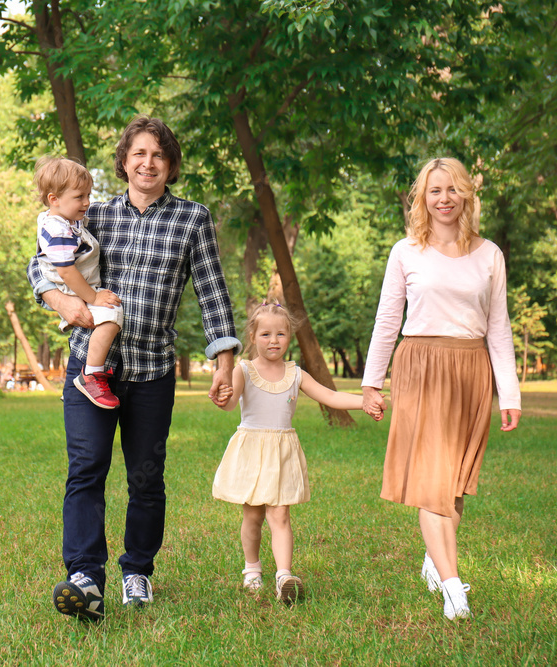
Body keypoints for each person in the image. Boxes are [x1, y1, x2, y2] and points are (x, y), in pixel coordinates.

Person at [27, 116, 240, 621]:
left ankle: (137, 570)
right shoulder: (92, 214)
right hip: (89, 368)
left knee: (146, 477)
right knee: (86, 469)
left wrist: (224, 361)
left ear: (170, 166)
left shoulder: (192, 219)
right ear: (123, 161)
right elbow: (42, 261)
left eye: (159, 155)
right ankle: (85, 576)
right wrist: (60, 301)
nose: (148, 163)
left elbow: (213, 292)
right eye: (139, 153)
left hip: (151, 371)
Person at [361, 157, 521, 621]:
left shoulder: (490, 254)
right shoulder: (406, 251)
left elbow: (499, 328)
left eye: (452, 189)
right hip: (421, 367)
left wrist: (508, 394)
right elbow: (388, 319)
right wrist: (372, 382)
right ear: (421, 198)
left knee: (451, 484)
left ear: (466, 194)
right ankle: (454, 591)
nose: (444, 198)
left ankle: (435, 562)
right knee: (431, 481)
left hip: (472, 370)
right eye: (434, 190)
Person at [211, 302, 377, 604]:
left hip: (282, 453)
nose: (273, 340)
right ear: (252, 335)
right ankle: (252, 568)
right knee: (252, 517)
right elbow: (230, 402)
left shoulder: (295, 373)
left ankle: (284, 575)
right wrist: (221, 396)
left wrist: (363, 402)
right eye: (265, 334)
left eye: (281, 334)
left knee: (281, 514)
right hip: (252, 450)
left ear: (290, 336)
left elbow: (330, 395)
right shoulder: (243, 370)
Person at [34, 157, 124, 408]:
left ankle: (84, 380)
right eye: (79, 197)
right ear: (54, 199)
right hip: (69, 286)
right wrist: (93, 298)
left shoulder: (67, 221)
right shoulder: (57, 229)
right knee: (112, 314)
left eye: (88, 195)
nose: (87, 203)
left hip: (77, 283)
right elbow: (66, 272)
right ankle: (92, 374)